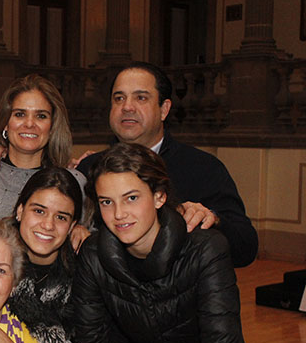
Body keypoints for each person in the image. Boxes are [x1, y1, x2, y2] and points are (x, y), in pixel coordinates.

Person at [67, 143, 251, 343]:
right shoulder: (93, 256)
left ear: (159, 196)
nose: (118, 214)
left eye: (131, 198)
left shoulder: (205, 250)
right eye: (106, 202)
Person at [76, 62, 257, 268]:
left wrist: (213, 220)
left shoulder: (203, 167)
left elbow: (246, 248)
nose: (127, 106)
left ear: (164, 109)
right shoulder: (88, 168)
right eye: (119, 98)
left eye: (141, 97)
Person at [0, 74, 86, 218]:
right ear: (6, 123)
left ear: (52, 126)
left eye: (41, 116)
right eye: (20, 114)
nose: (29, 123)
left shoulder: (75, 183)